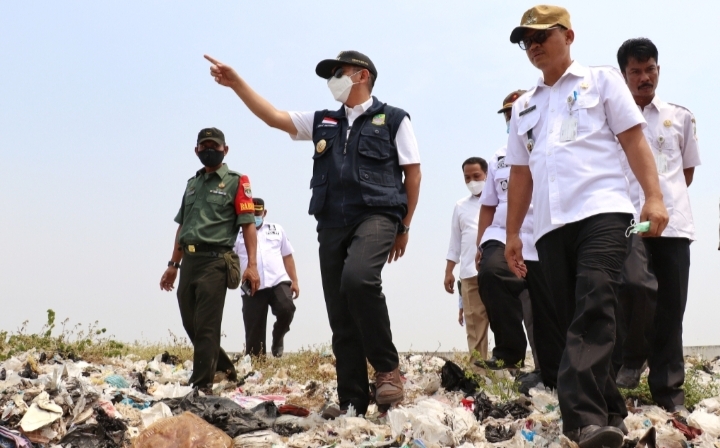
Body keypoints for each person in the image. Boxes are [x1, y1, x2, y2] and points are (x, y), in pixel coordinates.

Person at [204, 51, 421, 415]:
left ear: (362, 75)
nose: (333, 80)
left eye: (339, 72)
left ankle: (387, 369)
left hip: (377, 214)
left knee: (359, 279)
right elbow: (273, 116)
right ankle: (352, 400)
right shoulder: (323, 121)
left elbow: (412, 173)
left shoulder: (394, 119)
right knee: (340, 310)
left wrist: (405, 226)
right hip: (332, 223)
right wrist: (236, 83)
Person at [504, 6, 669, 448]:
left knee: (594, 303)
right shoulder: (523, 107)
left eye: (542, 35)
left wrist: (653, 197)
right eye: (527, 40)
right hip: (550, 227)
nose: (534, 45)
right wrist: (513, 233)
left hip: (603, 211)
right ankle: (610, 412)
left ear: (568, 36)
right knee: (572, 319)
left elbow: (633, 140)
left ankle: (581, 421)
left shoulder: (601, 82)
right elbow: (520, 174)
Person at [613, 38, 700, 416]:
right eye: (635, 71)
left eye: (649, 69)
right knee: (633, 288)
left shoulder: (680, 117)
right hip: (629, 222)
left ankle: (669, 394)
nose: (644, 77)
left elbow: (687, 172)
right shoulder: (612, 119)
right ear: (624, 76)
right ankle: (630, 359)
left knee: (670, 311)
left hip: (674, 225)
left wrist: (662, 200)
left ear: (658, 70)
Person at [474, 90, 564, 393]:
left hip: (543, 234)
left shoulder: (554, 148)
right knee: (492, 273)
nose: (513, 119)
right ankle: (509, 352)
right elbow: (488, 204)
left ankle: (548, 369)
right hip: (503, 233)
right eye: (508, 115)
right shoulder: (498, 158)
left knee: (545, 305)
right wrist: (480, 244)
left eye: (518, 114)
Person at [159, 127, 260, 392]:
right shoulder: (192, 184)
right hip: (189, 261)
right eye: (204, 147)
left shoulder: (237, 182)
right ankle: (224, 368)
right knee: (190, 322)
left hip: (215, 261)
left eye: (214, 146)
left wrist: (252, 265)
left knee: (206, 325)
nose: (209, 151)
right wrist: (173, 265)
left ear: (225, 149)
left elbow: (248, 224)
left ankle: (201, 385)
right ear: (196, 151)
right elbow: (183, 226)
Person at [235, 198, 300, 358]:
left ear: (264, 213)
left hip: (278, 281)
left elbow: (287, 256)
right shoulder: (237, 233)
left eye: (258, 214)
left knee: (287, 309)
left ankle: (278, 337)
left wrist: (295, 281)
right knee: (254, 344)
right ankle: (258, 365)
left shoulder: (276, 229)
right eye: (252, 214)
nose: (255, 217)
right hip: (252, 286)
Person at [444, 157, 490, 360]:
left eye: (476, 176)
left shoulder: (499, 202)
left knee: (503, 320)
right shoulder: (460, 206)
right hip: (470, 274)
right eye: (467, 178)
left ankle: (507, 369)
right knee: (474, 324)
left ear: (486, 174)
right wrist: (449, 271)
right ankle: (478, 370)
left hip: (496, 270)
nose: (472, 181)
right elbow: (455, 242)